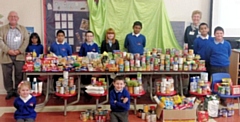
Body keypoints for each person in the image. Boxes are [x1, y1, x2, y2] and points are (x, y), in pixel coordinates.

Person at [0, 11, 29, 100]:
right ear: (8, 18)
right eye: (11, 16)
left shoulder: (23, 29)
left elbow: (26, 41)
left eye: (15, 16)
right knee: (7, 75)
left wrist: (19, 51)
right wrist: (8, 50)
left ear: (18, 18)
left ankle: (18, 91)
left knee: (19, 75)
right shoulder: (2, 29)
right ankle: (9, 91)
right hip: (6, 55)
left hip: (19, 55)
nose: (13, 18)